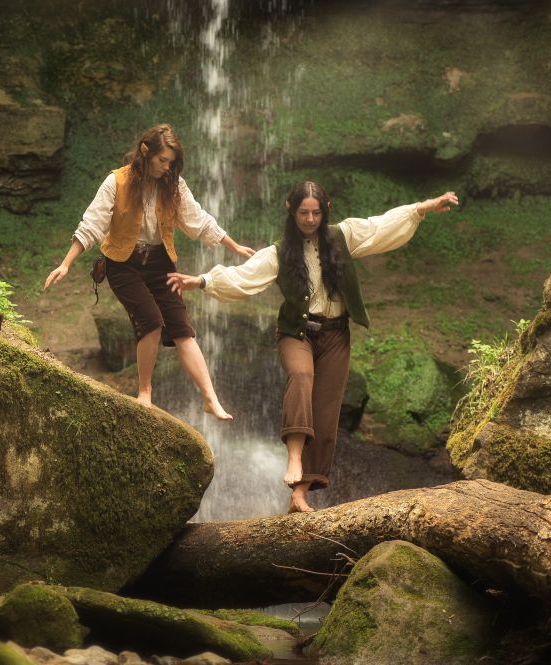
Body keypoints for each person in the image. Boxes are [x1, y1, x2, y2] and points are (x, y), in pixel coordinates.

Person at [167, 181, 458, 512]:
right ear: (291, 211)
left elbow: (381, 227)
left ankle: (299, 494)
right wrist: (202, 281)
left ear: (326, 210)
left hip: (336, 335)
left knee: (326, 410)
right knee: (302, 376)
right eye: (303, 212)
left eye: (316, 212)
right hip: (296, 333)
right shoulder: (279, 252)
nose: (309, 219)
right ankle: (293, 460)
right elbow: (244, 277)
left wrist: (423, 207)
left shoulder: (343, 235)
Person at [45, 124, 255, 419]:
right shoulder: (116, 182)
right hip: (122, 263)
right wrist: (66, 263)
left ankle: (210, 398)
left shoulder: (174, 184)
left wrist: (234, 246)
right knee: (152, 321)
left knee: (183, 330)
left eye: (171, 162)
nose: (166, 167)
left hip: (160, 263)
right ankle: (145, 392)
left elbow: (198, 220)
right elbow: (92, 224)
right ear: (146, 153)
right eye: (162, 161)